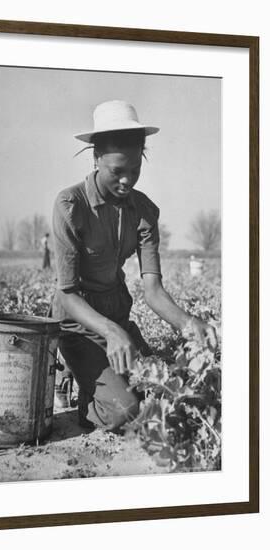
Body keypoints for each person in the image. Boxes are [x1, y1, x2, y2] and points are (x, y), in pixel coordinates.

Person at [51, 100, 217, 431]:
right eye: (117, 171)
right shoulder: (71, 205)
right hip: (77, 322)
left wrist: (188, 324)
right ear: (96, 158)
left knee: (163, 385)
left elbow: (153, 290)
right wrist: (110, 332)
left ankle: (102, 370)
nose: (127, 181)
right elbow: (67, 293)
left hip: (117, 319)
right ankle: (76, 379)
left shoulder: (144, 211)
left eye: (135, 171)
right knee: (125, 411)